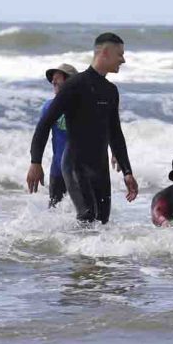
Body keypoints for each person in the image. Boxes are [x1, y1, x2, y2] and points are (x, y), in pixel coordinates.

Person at [28, 33, 139, 224]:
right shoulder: (74, 85)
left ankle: (92, 255)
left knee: (102, 221)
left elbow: (115, 133)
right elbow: (45, 124)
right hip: (75, 163)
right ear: (105, 52)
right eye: (119, 54)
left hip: (100, 167)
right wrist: (35, 162)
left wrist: (127, 172)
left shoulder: (111, 91)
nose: (123, 59)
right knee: (87, 216)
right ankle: (75, 254)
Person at [38, 62, 78, 207]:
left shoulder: (85, 107)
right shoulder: (48, 107)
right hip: (57, 170)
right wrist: (36, 163)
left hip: (80, 171)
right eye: (52, 79)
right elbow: (40, 135)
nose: (53, 81)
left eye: (58, 78)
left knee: (88, 218)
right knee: (54, 214)